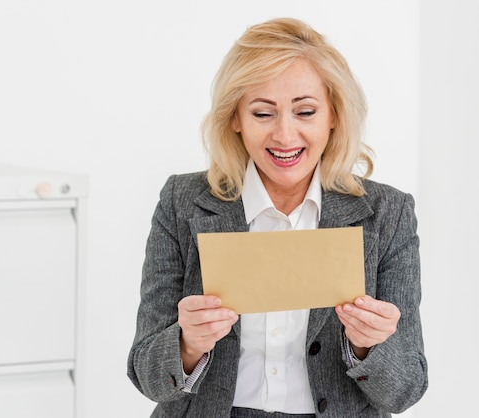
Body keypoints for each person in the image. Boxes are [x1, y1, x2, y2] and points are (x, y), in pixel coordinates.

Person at [127, 17, 428, 418]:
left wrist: (368, 346)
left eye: (305, 112)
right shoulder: (183, 203)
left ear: (334, 114)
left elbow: (406, 391)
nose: (285, 137)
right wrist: (187, 344)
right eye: (263, 114)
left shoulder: (387, 215)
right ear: (235, 118)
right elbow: (146, 376)